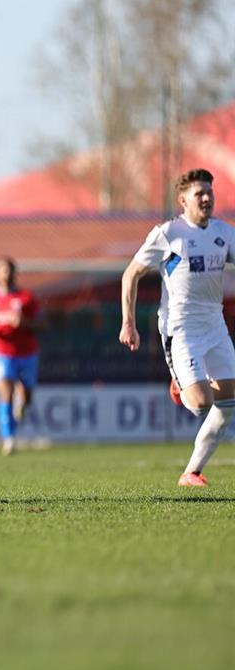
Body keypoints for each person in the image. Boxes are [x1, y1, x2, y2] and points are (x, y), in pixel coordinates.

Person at [120, 168, 235, 487]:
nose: (207, 198)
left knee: (229, 402)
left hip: (215, 325)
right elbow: (131, 274)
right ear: (183, 200)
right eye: (199, 193)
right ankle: (178, 383)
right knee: (201, 404)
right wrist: (128, 322)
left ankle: (192, 472)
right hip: (181, 329)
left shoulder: (224, 233)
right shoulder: (169, 234)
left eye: (209, 192)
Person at [0, 257, 42, 455]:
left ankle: (23, 404)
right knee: (6, 393)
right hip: (1, 353)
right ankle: (9, 439)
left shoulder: (27, 298)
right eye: (3, 270)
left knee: (26, 396)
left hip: (27, 353)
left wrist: (24, 323)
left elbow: (43, 324)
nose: (6, 273)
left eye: (10, 270)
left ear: (15, 273)